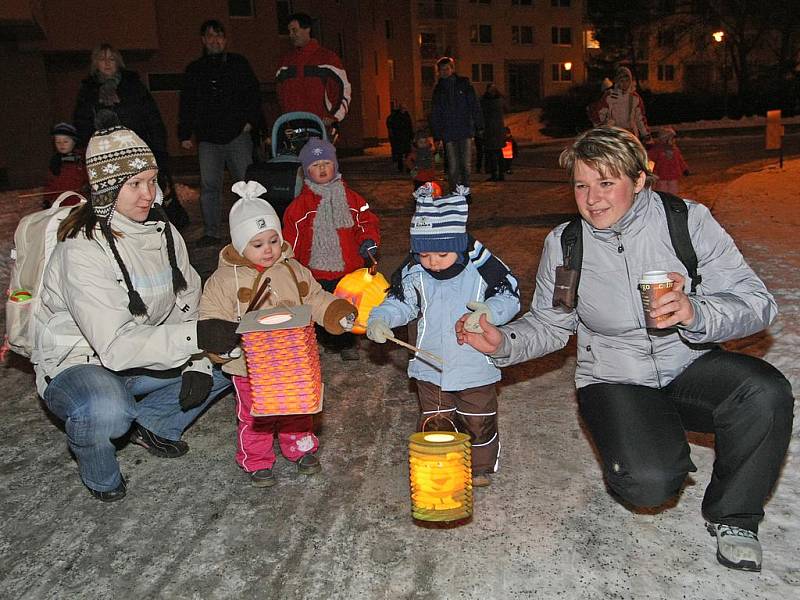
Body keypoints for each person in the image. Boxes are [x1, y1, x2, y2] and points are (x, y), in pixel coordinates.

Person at [456, 126, 793, 571]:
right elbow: (552, 323)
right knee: (649, 482)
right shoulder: (566, 244)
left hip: (689, 362)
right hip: (615, 376)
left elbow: (758, 304)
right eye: (582, 184)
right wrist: (503, 341)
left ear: (638, 181)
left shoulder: (685, 222)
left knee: (765, 393)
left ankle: (735, 516)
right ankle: (650, 441)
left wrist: (695, 312)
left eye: (607, 182)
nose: (593, 198)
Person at [32, 124, 240, 502]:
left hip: (139, 357)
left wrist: (198, 360)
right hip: (81, 364)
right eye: (135, 184)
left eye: (153, 180)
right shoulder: (81, 250)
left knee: (233, 359)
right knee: (108, 410)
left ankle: (154, 423)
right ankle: (101, 476)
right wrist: (196, 339)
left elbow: (188, 299)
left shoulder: (162, 231)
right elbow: (114, 345)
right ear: (108, 189)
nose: (150, 194)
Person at [199, 181, 357, 487]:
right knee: (256, 414)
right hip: (249, 364)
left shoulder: (292, 269)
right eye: (257, 244)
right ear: (239, 244)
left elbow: (313, 297)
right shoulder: (223, 280)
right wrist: (222, 343)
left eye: (273, 240)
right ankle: (256, 460)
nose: (268, 249)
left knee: (296, 408)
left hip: (292, 358)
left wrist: (336, 312)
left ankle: (300, 448)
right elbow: (211, 314)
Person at [366, 184, 520, 487]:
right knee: (437, 420)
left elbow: (510, 297)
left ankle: (478, 466)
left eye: (441, 253)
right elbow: (400, 302)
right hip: (429, 367)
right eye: (424, 253)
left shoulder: (480, 272)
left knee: (478, 419)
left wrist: (488, 312)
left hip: (476, 365)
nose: (433, 261)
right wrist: (381, 318)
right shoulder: (415, 274)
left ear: (460, 246)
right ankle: (442, 463)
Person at [282, 137, 380, 361]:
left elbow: (365, 221)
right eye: (315, 166)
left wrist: (367, 240)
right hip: (315, 271)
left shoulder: (351, 199)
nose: (322, 168)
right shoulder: (300, 207)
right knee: (319, 306)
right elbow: (292, 236)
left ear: (335, 165)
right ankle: (325, 339)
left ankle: (347, 343)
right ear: (307, 172)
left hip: (348, 267)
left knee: (345, 307)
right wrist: (289, 262)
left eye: (326, 163)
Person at [72, 44, 188, 228]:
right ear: (96, 63)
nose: (107, 63)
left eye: (111, 59)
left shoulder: (133, 86)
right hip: (107, 159)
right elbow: (82, 124)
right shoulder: (88, 92)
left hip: (139, 154)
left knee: (147, 198)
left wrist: (158, 152)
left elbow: (152, 119)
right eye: (102, 59)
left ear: (118, 62)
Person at [178, 19, 265, 247]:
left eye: (219, 36)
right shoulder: (194, 70)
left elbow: (254, 95)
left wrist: (251, 123)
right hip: (208, 139)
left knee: (245, 185)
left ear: (225, 40)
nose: (215, 40)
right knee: (209, 187)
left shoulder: (239, 64)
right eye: (210, 36)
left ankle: (251, 227)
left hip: (238, 135)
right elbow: (187, 103)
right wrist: (185, 133)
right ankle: (212, 232)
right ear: (203, 40)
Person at [276, 12, 351, 131]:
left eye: (294, 30)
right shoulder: (285, 62)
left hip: (320, 126)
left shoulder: (327, 58)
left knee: (316, 151)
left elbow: (343, 90)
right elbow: (280, 95)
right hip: (293, 128)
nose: (291, 35)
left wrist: (334, 117)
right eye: (289, 31)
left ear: (307, 29)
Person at [430, 57, 483, 195]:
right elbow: (435, 113)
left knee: (465, 165)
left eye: (447, 69)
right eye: (442, 70)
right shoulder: (438, 90)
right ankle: (454, 193)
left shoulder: (464, 84)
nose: (445, 72)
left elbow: (474, 105)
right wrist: (437, 134)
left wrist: (479, 125)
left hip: (464, 129)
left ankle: (465, 192)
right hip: (448, 132)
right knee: (453, 167)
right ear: (439, 72)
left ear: (452, 69)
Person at [588, 67, 651, 142]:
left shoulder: (635, 98)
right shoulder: (610, 96)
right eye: (621, 81)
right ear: (617, 82)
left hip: (630, 135)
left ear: (630, 81)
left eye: (627, 81)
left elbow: (640, 118)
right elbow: (600, 114)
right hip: (614, 135)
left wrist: (646, 134)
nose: (624, 84)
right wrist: (600, 127)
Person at [44, 122, 88, 207]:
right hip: (61, 203)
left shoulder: (82, 159)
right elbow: (50, 184)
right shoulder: (55, 162)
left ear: (74, 142)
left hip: (80, 202)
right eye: (58, 142)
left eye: (65, 141)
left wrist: (87, 186)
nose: (61, 145)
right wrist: (47, 199)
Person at [648, 127, 689, 194]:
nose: (673, 140)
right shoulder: (658, 149)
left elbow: (680, 160)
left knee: (673, 191)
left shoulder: (675, 150)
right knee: (662, 191)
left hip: (673, 175)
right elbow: (649, 157)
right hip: (661, 175)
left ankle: (671, 202)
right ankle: (662, 202)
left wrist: (685, 169)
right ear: (666, 139)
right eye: (672, 138)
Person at [480, 84, 506, 182]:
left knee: (492, 154)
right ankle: (501, 173)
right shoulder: (500, 101)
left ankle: (494, 173)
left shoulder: (485, 102)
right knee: (499, 153)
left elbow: (483, 114)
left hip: (490, 130)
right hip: (498, 130)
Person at [386, 103, 414, 173]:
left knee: (407, 154)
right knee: (400, 154)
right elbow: (391, 125)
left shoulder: (406, 115)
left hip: (406, 137)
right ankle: (400, 167)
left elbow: (409, 126)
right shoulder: (395, 116)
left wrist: (411, 135)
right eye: (403, 108)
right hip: (398, 138)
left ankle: (408, 168)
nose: (404, 110)